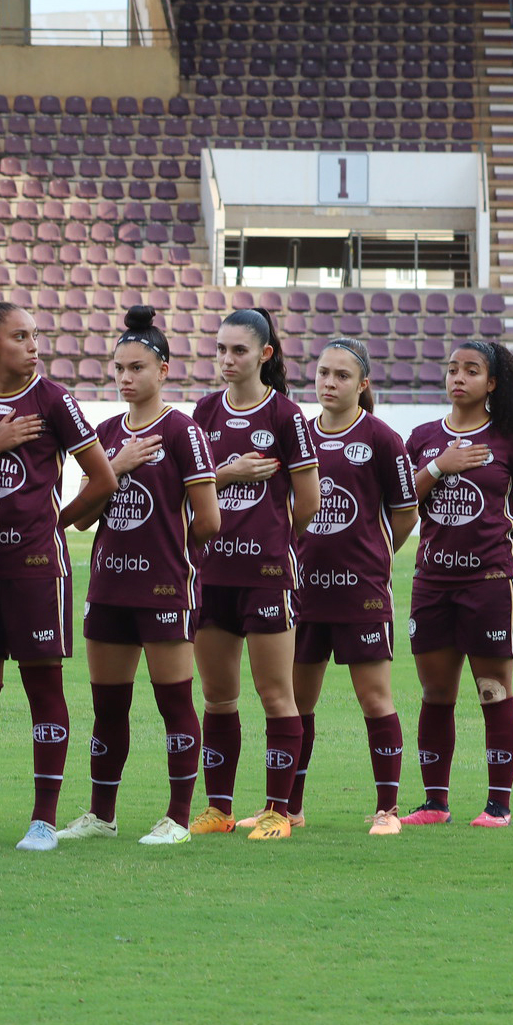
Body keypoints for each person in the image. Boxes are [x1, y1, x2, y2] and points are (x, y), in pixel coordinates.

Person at [0, 285, 117, 852]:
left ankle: (43, 819)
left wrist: (57, 525)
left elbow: (104, 479)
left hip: (37, 569)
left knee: (43, 686)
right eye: (21, 337)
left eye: (36, 336)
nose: (33, 346)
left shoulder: (54, 401)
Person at [55, 307, 220, 846]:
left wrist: (169, 553)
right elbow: (79, 517)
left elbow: (210, 521)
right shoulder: (105, 434)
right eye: (119, 368)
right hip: (108, 587)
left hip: (164, 589)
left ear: (163, 370)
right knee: (108, 705)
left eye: (137, 367)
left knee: (174, 701)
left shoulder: (183, 431)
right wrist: (116, 466)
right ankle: (102, 814)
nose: (125, 378)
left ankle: (177, 817)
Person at [402, 340, 513, 828]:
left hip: (489, 583)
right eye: (452, 369)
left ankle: (498, 805)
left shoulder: (510, 439)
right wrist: (438, 467)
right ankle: (435, 803)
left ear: (492, 383)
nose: (458, 377)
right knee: (435, 692)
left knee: (493, 689)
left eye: (471, 370)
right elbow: (402, 504)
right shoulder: (423, 437)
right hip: (432, 582)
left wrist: (501, 543)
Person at [189, 307, 318, 840]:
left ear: (264, 355)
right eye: (220, 349)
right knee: (218, 696)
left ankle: (277, 811)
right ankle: (219, 809)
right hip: (212, 573)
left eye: (238, 350)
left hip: (266, 576)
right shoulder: (203, 411)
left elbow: (308, 501)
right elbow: (190, 488)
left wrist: (273, 541)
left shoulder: (286, 417)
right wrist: (229, 472)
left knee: (275, 695)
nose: (226, 359)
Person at [289, 339, 418, 835]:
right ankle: (289, 808)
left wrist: (378, 558)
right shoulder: (298, 434)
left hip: (360, 593)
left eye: (342, 376)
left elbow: (405, 512)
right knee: (296, 704)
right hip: (302, 592)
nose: (329, 383)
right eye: (323, 373)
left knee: (374, 700)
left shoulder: (383, 439)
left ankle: (388, 811)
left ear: (362, 385)